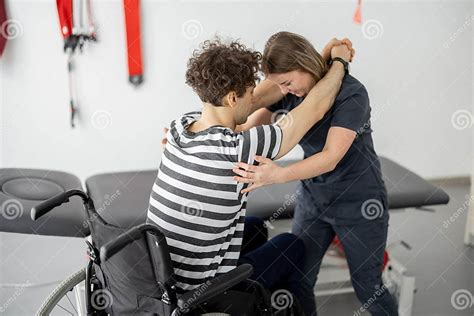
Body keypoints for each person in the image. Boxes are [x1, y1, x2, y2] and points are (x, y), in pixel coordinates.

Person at [147, 36, 351, 312]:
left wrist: (310, 63)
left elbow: (257, 99)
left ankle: (271, 301)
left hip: (165, 275)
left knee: (254, 226)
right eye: (249, 92)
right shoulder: (235, 147)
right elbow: (314, 109)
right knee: (291, 245)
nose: (254, 98)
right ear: (232, 98)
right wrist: (339, 62)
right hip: (200, 294)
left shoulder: (178, 127)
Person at [233, 31, 399, 316]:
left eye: (287, 82)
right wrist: (199, 135)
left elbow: (331, 157)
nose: (285, 90)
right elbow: (247, 127)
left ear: (303, 64)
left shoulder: (351, 93)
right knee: (298, 279)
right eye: (279, 84)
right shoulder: (288, 92)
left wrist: (275, 175)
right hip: (314, 200)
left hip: (358, 203)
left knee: (367, 287)